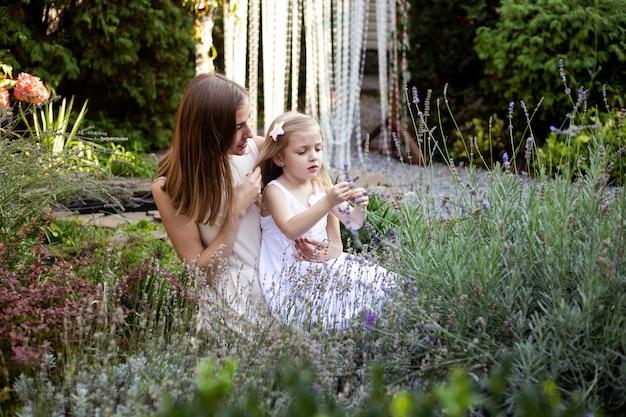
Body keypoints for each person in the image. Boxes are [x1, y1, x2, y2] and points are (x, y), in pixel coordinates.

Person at [254, 111, 395, 330]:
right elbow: (291, 229)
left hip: (323, 261)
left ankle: (385, 327)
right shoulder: (275, 191)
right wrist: (328, 202)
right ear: (280, 158)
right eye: (302, 151)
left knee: (377, 282)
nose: (314, 157)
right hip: (290, 271)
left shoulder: (321, 186)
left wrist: (360, 206)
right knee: (342, 297)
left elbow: (353, 223)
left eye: (318, 149)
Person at [152, 73, 274, 322]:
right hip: (232, 298)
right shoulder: (171, 187)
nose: (250, 133)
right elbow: (201, 273)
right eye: (238, 126)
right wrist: (236, 210)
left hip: (278, 280)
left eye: (248, 120)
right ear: (210, 131)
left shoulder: (257, 151)